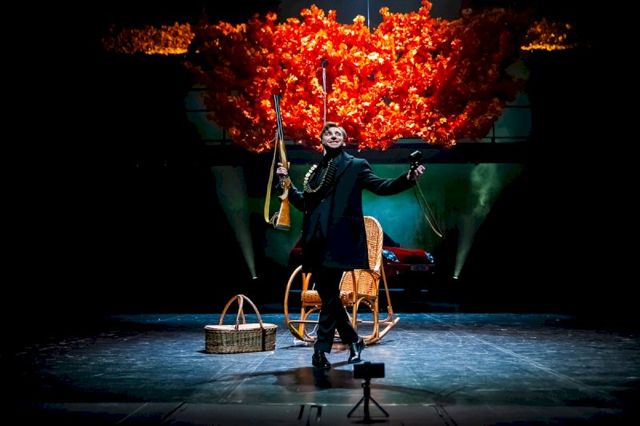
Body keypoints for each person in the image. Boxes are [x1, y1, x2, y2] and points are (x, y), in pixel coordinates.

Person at [276, 122, 425, 369]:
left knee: (329, 297)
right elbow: (305, 204)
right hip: (316, 241)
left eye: (338, 134)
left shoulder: (355, 165)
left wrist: (407, 178)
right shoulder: (316, 172)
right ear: (322, 140)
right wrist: (285, 182)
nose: (334, 136)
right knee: (329, 297)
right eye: (329, 133)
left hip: (339, 240)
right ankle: (354, 340)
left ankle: (320, 351)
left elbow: (381, 186)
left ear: (344, 141)